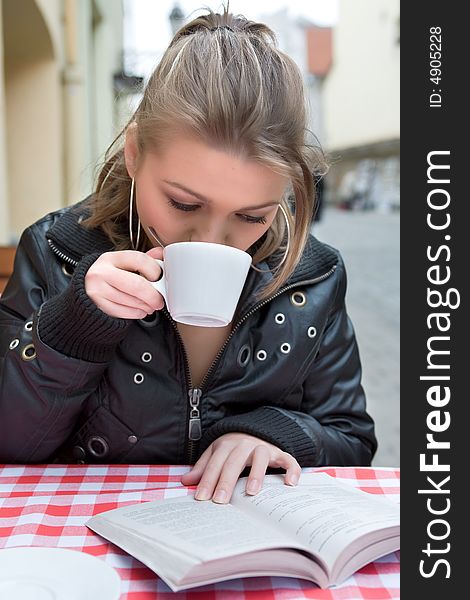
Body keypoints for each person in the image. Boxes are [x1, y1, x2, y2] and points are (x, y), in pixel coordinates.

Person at [0, 7, 377, 504]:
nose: (212, 239)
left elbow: (352, 439)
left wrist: (274, 433)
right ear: (134, 153)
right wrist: (72, 329)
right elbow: (11, 443)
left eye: (252, 215)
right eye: (183, 203)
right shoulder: (58, 251)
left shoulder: (316, 276)